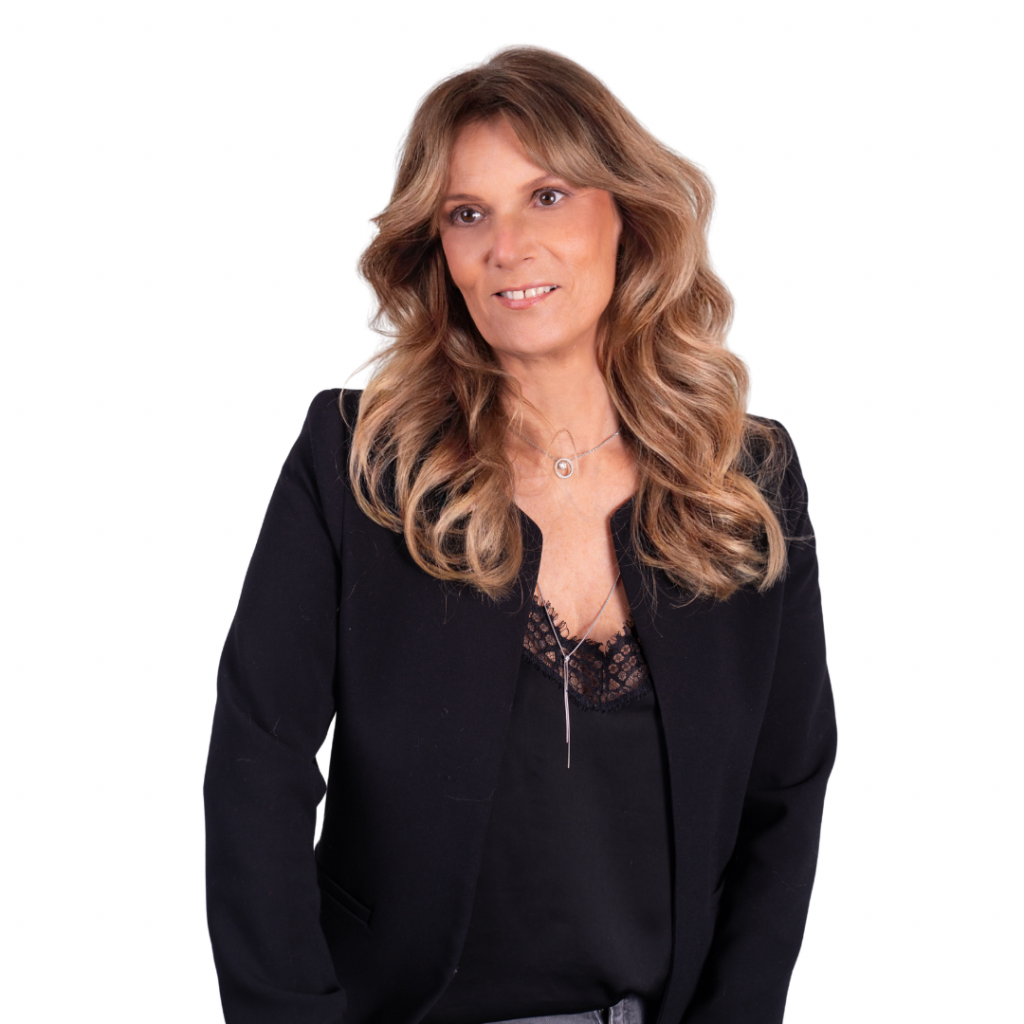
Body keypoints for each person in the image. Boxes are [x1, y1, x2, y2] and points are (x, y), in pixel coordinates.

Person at [204, 46, 836, 1024]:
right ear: (439, 250)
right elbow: (259, 763)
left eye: (547, 196)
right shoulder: (357, 462)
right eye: (468, 213)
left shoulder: (742, 481)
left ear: (626, 215)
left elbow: (784, 791)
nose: (507, 246)